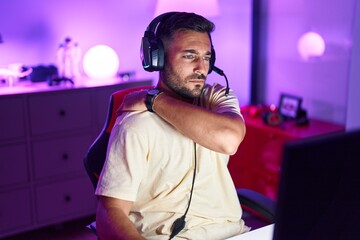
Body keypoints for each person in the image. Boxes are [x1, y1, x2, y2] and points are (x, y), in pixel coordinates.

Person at [95, 12, 247, 239]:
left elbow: (229, 139)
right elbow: (110, 213)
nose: (201, 68)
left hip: (234, 234)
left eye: (206, 57)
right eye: (189, 56)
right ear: (157, 58)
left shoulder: (216, 98)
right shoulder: (136, 124)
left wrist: (153, 100)